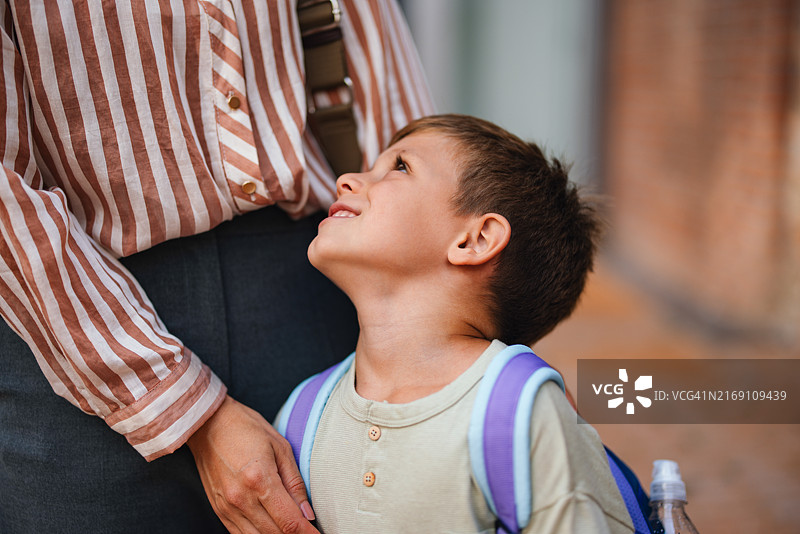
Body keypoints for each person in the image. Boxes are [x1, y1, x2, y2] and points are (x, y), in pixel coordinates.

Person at [0, 1, 433, 533]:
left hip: (317, 288)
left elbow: (383, 84)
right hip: (72, 326)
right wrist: (191, 413)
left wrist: (441, 323)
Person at [275, 114, 635, 533]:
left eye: (400, 166)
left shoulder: (522, 414)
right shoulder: (303, 416)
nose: (345, 180)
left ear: (474, 240)